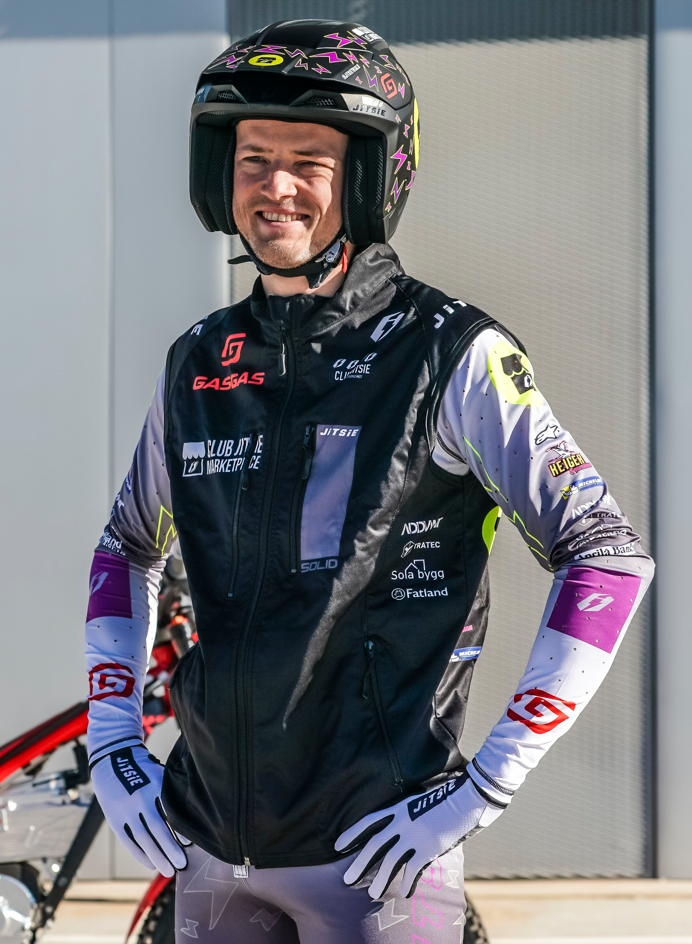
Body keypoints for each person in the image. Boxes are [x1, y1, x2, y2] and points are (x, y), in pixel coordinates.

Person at [84, 19, 654, 944]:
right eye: (253, 159)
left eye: (308, 163)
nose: (275, 187)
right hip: (208, 848)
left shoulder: (451, 353)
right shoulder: (196, 362)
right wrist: (112, 740)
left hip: (376, 858)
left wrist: (487, 785)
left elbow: (607, 558)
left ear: (368, 178)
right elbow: (125, 548)